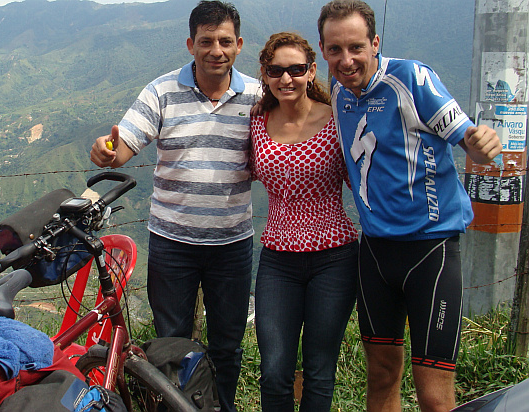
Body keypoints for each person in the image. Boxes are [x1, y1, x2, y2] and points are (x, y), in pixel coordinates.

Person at [316, 1, 502, 411]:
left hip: (430, 251)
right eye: (335, 50)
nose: (346, 60)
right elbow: (287, 93)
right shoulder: (335, 91)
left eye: (356, 47)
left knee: (434, 395)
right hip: (376, 253)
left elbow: (466, 136)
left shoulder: (411, 78)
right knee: (381, 378)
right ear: (323, 50)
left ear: (375, 43)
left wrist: (481, 142)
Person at [89, 1, 261, 410]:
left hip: (232, 244)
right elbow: (123, 146)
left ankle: (221, 406)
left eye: (224, 41)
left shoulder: (257, 95)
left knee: (228, 344)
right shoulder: (162, 91)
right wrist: (106, 152)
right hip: (172, 243)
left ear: (239, 45)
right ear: (190, 44)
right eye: (206, 41)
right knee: (170, 344)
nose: (215, 50)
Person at [251, 32, 359, 412]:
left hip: (335, 258)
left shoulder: (338, 121)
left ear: (312, 71)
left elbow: (363, 178)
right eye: (275, 70)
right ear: (264, 74)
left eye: (296, 70)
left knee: (319, 368)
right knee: (274, 369)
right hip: (278, 259)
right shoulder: (258, 123)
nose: (286, 79)